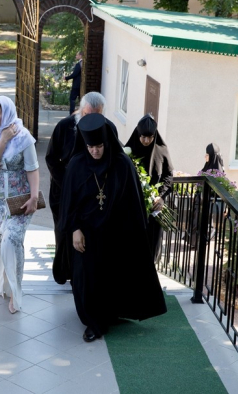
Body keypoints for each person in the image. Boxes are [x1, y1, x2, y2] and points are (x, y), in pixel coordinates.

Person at [57, 113, 167, 342]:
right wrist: (74, 229)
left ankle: (106, 316)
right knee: (86, 278)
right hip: (85, 234)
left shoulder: (121, 164)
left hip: (114, 234)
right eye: (90, 147)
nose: (94, 151)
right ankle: (93, 322)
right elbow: (69, 202)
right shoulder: (77, 165)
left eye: (99, 146)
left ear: (106, 142)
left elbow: (132, 203)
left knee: (110, 278)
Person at [46, 92, 116, 284]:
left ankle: (85, 274)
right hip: (63, 190)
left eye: (96, 116)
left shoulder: (109, 128)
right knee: (64, 232)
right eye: (86, 115)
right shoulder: (65, 126)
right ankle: (66, 270)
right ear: (80, 111)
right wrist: (68, 184)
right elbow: (51, 158)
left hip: (94, 193)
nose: (90, 121)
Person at [0, 96, 39, 314]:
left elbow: (32, 168)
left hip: (19, 200)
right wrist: (3, 140)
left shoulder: (23, 136)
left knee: (11, 241)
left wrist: (34, 197)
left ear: (7, 114)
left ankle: (15, 291)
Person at [124, 114, 174, 263]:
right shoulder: (129, 151)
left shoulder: (161, 150)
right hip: (132, 207)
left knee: (152, 246)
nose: (146, 141)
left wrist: (161, 197)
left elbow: (168, 176)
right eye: (143, 137)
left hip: (154, 206)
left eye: (150, 137)